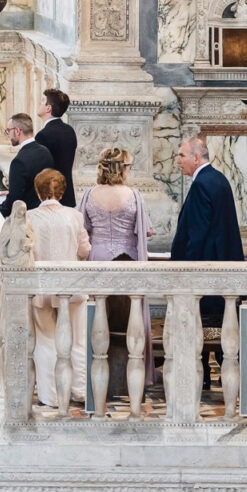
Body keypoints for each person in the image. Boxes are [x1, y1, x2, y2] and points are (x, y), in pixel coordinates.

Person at [171, 136, 244, 386]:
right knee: (221, 323)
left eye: (181, 155)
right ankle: (224, 375)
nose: (178, 160)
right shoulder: (218, 178)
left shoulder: (202, 184)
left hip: (205, 268)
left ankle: (200, 377)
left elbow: (198, 233)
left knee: (199, 323)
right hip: (222, 266)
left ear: (196, 157)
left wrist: (185, 269)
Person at [79, 146, 154, 383]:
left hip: (98, 259)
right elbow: (147, 230)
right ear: (122, 169)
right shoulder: (133, 195)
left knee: (99, 317)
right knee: (128, 317)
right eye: (128, 166)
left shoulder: (89, 194)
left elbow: (83, 228)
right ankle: (130, 374)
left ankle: (96, 373)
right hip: (128, 262)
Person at [27, 168, 89, 407]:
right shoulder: (74, 216)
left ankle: (50, 396)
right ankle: (78, 390)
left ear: (38, 192)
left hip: (42, 286)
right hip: (71, 285)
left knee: (45, 339)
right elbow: (84, 250)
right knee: (76, 339)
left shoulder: (30, 217)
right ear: (61, 192)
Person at [0, 114, 53, 217]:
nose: (8, 135)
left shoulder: (18, 162)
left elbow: (13, 203)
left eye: (8, 131)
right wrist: (12, 192)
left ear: (17, 131)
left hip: (28, 218)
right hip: (46, 215)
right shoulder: (46, 152)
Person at [34, 88, 77, 207]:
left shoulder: (43, 135)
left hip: (49, 199)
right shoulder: (69, 131)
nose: (39, 103)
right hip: (67, 197)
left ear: (49, 108)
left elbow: (39, 171)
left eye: (43, 101)